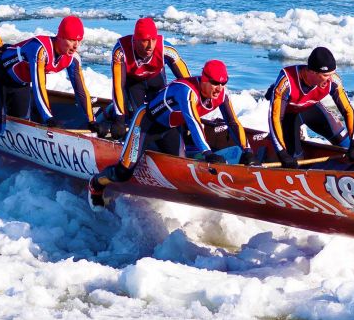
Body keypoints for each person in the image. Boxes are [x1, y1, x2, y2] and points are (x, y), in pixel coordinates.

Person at [88, 59, 256, 208]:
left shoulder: (223, 94)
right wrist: (208, 153)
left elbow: (233, 122)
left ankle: (173, 154)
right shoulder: (187, 92)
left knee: (180, 170)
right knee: (123, 172)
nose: (219, 88)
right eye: (214, 83)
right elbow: (193, 122)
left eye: (223, 83)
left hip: (169, 129)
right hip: (145, 124)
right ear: (204, 79)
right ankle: (96, 183)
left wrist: (247, 150)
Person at [0, 15, 96, 138]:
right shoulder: (40, 50)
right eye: (71, 40)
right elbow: (39, 86)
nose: (76, 46)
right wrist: (49, 118)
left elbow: (81, 90)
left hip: (20, 84)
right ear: (60, 36)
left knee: (22, 128)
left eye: (79, 40)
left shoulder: (73, 59)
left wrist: (92, 121)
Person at [266, 46, 354, 168]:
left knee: (348, 144)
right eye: (326, 75)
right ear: (312, 72)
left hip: (312, 109)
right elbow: (275, 118)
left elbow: (347, 109)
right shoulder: (286, 82)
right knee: (294, 161)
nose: (330, 79)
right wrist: (281, 152)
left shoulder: (333, 81)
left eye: (332, 74)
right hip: (289, 116)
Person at [104, 17, 190, 138]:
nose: (150, 46)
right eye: (145, 40)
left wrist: (191, 114)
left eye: (153, 40)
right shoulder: (120, 51)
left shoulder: (167, 50)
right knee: (138, 118)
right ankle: (112, 111)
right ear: (135, 40)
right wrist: (120, 119)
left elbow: (188, 83)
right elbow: (118, 86)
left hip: (156, 79)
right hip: (134, 82)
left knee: (160, 114)